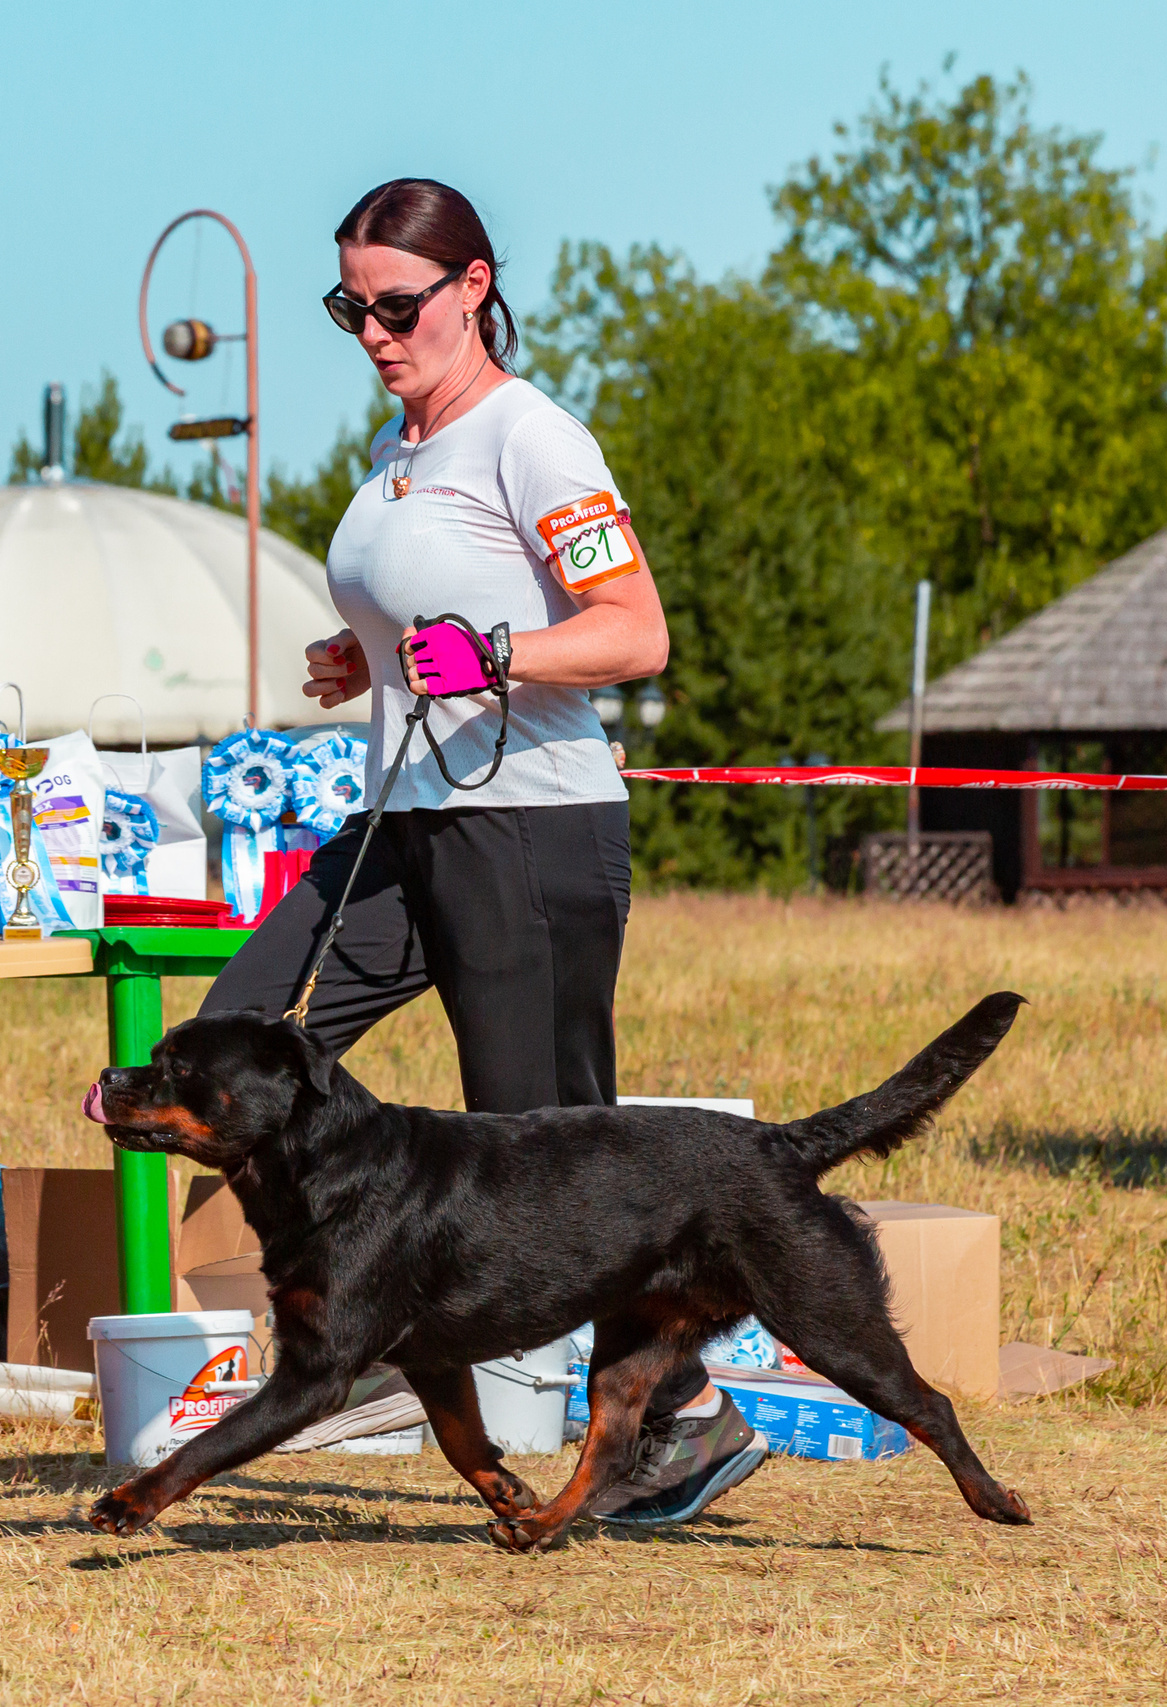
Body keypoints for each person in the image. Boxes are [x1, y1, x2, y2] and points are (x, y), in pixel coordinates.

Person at [198, 179, 764, 1527]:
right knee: (226, 1045)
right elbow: (428, 613)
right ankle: (348, 1323)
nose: (375, 331)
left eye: (398, 305)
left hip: (534, 830)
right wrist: (371, 657)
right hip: (409, 824)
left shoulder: (534, 438)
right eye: (352, 307)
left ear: (472, 285)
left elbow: (637, 632)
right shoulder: (403, 448)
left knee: (556, 1164)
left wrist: (498, 650)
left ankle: (680, 1419)